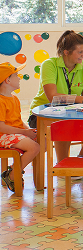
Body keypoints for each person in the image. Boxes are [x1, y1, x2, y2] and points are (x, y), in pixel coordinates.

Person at [29, 30, 83, 163]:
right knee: (63, 123)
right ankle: (63, 164)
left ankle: (80, 159)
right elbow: (53, 97)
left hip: (71, 112)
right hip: (42, 115)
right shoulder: (49, 64)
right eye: (80, 52)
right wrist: (82, 99)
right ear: (66, 52)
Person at [0, 62, 40, 192]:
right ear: (7, 80)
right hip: (3, 136)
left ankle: (14, 170)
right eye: (16, 75)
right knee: (34, 147)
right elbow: (2, 127)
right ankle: (12, 175)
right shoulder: (0, 101)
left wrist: (28, 130)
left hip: (15, 134)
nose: (19, 78)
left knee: (43, 141)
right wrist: (25, 133)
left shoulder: (15, 99)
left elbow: (18, 121)